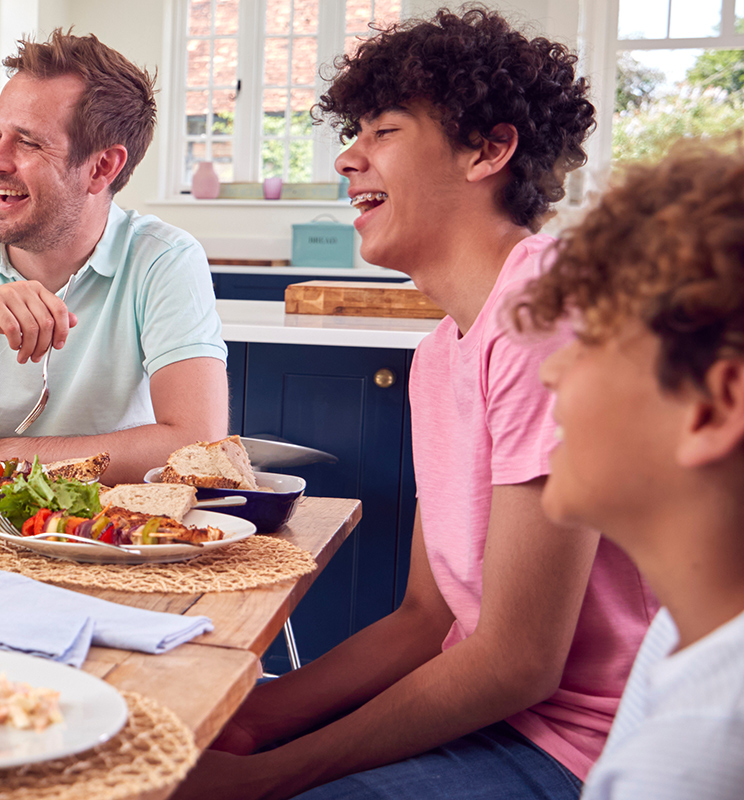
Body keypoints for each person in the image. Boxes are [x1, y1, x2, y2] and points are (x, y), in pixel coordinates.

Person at [176, 10, 654, 799]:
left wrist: (266, 775)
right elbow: (426, 618)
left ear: (489, 150)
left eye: (385, 131)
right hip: (483, 713)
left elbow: (517, 662)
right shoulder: (441, 352)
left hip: (581, 747)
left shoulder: (547, 312)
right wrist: (250, 719)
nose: (347, 156)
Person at [0, 29, 227, 483]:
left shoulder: (164, 259)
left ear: (102, 167)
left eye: (27, 142)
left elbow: (196, 441)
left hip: (107, 528)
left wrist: (3, 456)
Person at [514, 137, 744, 799]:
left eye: (589, 340)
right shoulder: (686, 626)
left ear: (713, 408)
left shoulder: (695, 761)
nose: (553, 370)